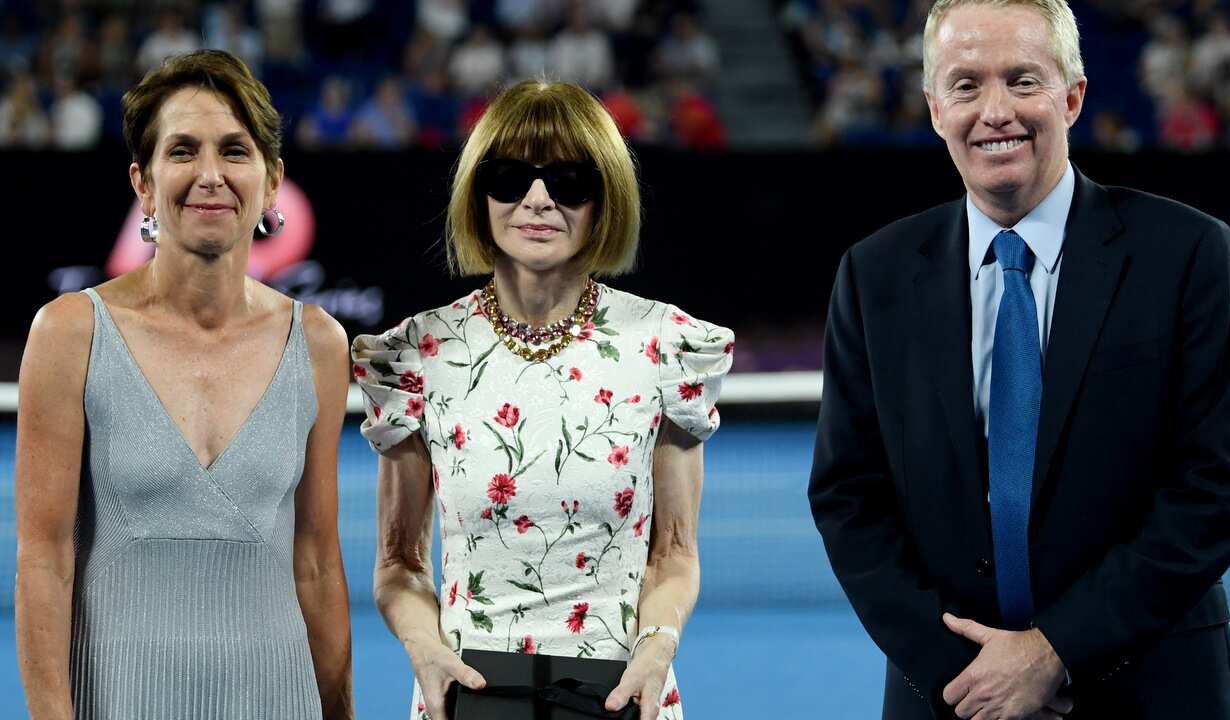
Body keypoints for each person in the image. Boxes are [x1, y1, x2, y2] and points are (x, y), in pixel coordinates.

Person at [808, 1, 1230, 718]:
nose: (996, 112)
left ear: (1072, 97)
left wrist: (1055, 654)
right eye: (965, 85)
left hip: (1156, 688)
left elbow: (1214, 492)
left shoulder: (1187, 253)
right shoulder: (875, 274)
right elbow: (848, 498)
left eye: (1023, 81)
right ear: (932, 108)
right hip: (951, 695)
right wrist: (970, 676)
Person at [351, 79, 733, 720]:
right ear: (479, 193)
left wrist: (657, 647)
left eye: (568, 181)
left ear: (603, 199)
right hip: (464, 702)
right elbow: (398, 563)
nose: (537, 200)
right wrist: (424, 649)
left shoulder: (665, 346)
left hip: (623, 698)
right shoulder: (421, 354)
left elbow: (673, 555)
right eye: (510, 177)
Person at [14, 50, 354, 719]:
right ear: (142, 183)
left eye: (234, 150)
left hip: (278, 701)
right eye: (182, 151)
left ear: (271, 179)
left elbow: (315, 562)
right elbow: (43, 564)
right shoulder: (69, 334)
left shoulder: (318, 344)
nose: (209, 175)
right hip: (118, 700)